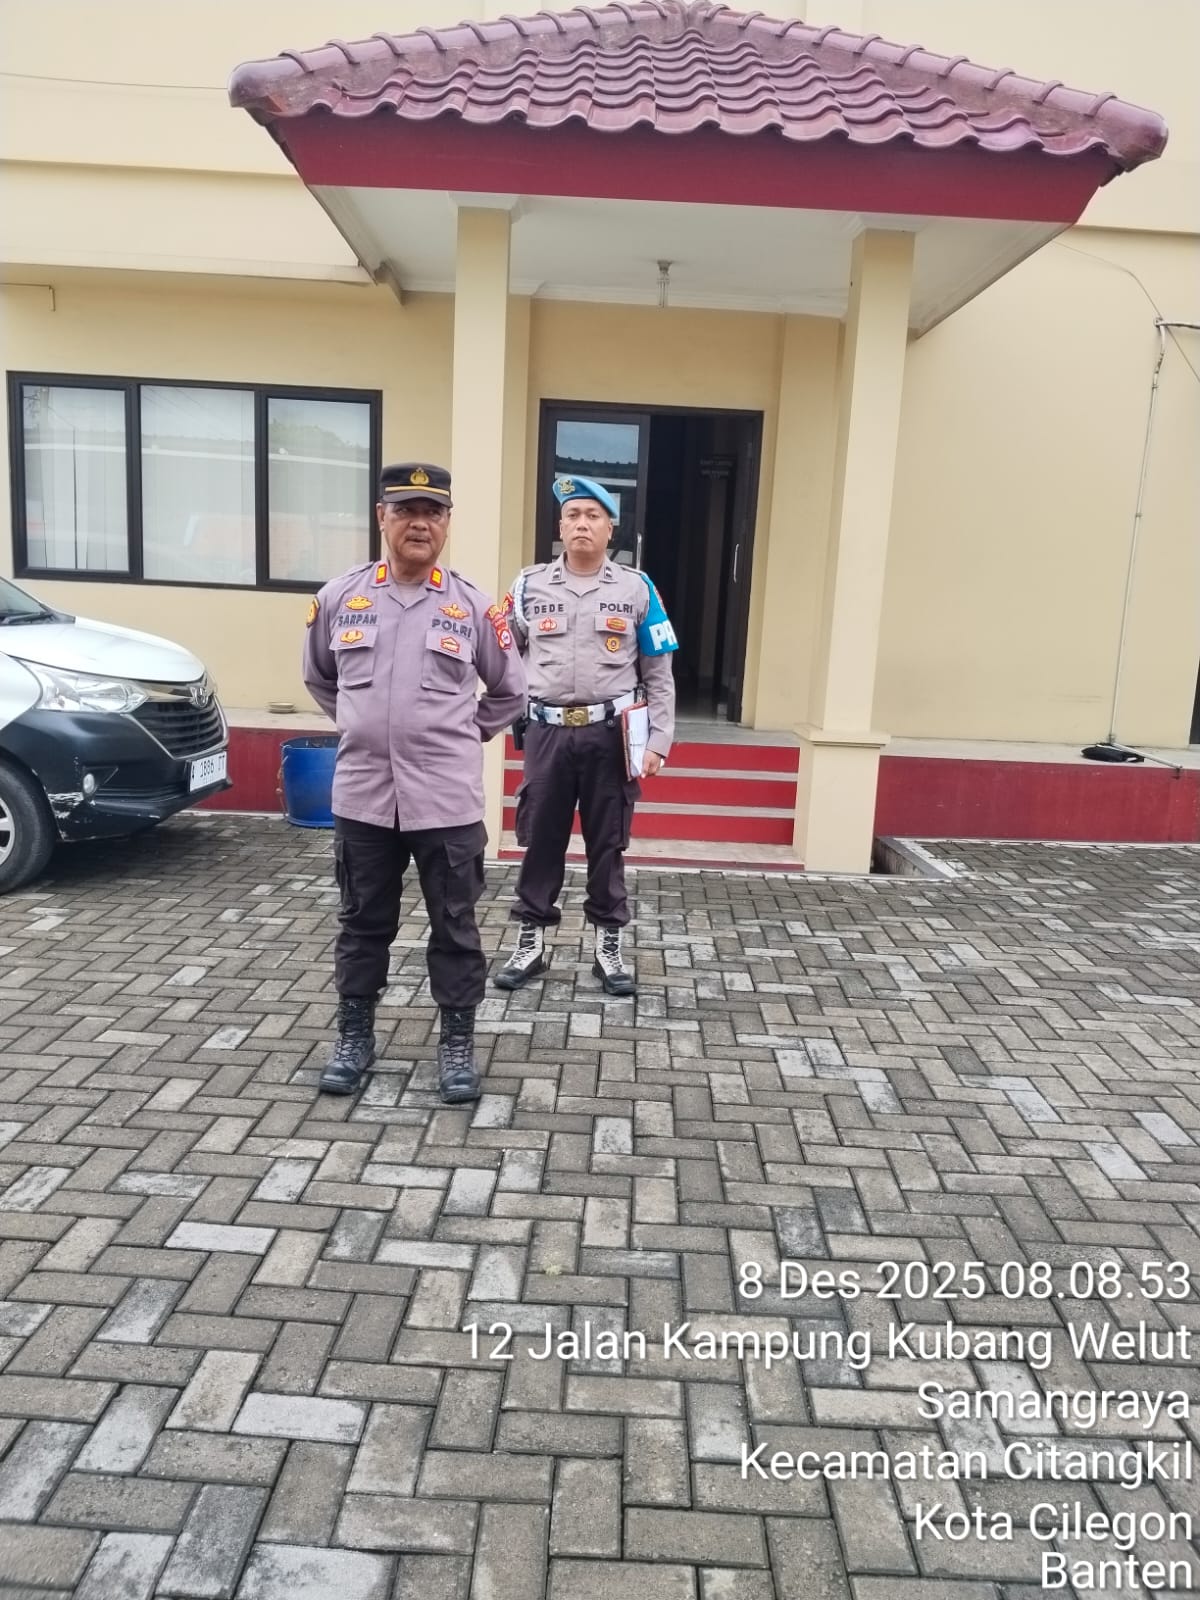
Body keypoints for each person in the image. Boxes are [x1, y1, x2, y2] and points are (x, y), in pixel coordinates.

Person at [302, 463, 527, 1103]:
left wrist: (459, 733)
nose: (419, 523)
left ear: (448, 523)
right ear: (382, 517)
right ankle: (355, 1037)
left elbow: (510, 691)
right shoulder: (340, 598)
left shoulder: (475, 607)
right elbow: (320, 678)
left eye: (433, 512)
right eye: (405, 510)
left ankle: (456, 1045)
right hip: (364, 798)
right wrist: (364, 724)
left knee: (455, 927)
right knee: (361, 923)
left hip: (445, 801)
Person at [495, 474, 677, 996]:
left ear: (610, 527)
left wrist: (659, 740)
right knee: (540, 840)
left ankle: (608, 948)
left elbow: (658, 671)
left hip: (611, 736)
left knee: (608, 842)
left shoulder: (637, 588)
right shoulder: (527, 585)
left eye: (593, 516)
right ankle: (530, 944)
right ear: (560, 527)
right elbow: (503, 655)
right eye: (573, 515)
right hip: (547, 734)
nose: (582, 524)